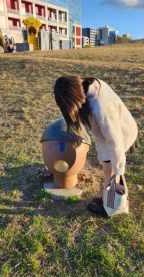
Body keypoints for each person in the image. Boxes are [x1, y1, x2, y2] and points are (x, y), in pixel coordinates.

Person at [54, 76, 138, 217]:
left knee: (113, 175)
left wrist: (118, 170)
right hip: (109, 138)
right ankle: (110, 200)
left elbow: (115, 140)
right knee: (109, 174)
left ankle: (111, 207)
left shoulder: (101, 108)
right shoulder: (87, 87)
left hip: (121, 137)